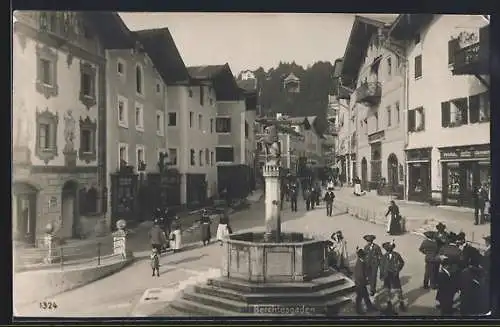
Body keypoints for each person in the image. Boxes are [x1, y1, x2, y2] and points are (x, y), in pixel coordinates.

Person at [379, 241, 406, 312]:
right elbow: (381, 266)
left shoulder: (397, 255)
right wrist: (381, 275)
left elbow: (402, 262)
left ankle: (401, 303)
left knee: (398, 290)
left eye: (390, 249)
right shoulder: (384, 256)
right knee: (387, 290)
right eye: (387, 249)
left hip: (394, 274)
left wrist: (398, 269)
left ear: (392, 249)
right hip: (386, 275)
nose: (389, 250)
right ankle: (389, 304)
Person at [353, 248, 375, 314]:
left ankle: (369, 308)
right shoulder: (360, 263)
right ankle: (358, 310)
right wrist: (366, 282)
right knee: (360, 297)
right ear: (362, 256)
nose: (365, 257)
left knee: (365, 296)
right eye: (364, 255)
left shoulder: (361, 261)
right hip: (360, 283)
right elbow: (360, 275)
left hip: (360, 283)